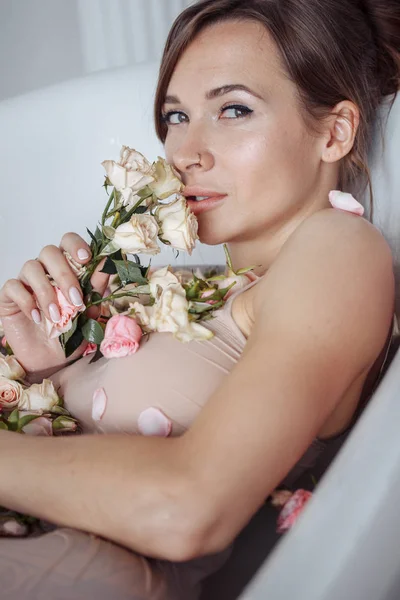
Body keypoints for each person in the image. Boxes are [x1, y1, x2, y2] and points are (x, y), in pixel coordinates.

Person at [0, 0, 399, 598]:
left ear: (334, 131)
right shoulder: (181, 283)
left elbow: (187, 508)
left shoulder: (339, 250)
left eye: (234, 109)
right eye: (176, 116)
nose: (184, 152)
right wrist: (42, 370)